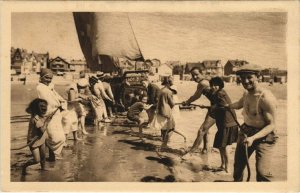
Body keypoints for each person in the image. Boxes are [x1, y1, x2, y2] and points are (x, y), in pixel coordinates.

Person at [228, 64, 277, 181]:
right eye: (242, 78)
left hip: (265, 136)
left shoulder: (266, 98)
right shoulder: (246, 93)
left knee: (262, 173)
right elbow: (239, 104)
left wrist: (253, 138)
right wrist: (225, 106)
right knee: (238, 169)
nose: (245, 81)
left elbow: (271, 125)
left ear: (258, 77)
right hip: (246, 132)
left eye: (249, 77)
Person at [182, 67, 215, 154]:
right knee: (206, 129)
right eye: (193, 75)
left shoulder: (202, 83)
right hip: (215, 106)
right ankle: (205, 149)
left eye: (197, 74)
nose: (195, 77)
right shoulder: (207, 80)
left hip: (218, 108)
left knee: (202, 130)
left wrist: (187, 102)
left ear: (202, 73)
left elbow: (196, 96)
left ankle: (191, 152)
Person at [209, 77, 238, 173]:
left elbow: (224, 106)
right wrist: (213, 107)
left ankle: (227, 169)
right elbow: (218, 106)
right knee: (221, 146)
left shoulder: (220, 93)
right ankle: (222, 165)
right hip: (223, 123)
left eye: (216, 85)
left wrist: (213, 107)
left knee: (225, 147)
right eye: (212, 85)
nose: (213, 87)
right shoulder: (218, 93)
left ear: (220, 85)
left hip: (228, 123)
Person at [36, 68, 66, 161]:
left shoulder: (49, 87)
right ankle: (52, 153)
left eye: (50, 78)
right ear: (41, 77)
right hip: (49, 114)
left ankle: (53, 156)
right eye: (47, 78)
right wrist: (59, 104)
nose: (49, 80)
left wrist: (61, 102)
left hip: (56, 114)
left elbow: (58, 97)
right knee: (55, 137)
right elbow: (49, 102)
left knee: (57, 135)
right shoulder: (40, 87)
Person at [22, 98, 48, 174]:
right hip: (33, 141)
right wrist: (46, 123)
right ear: (37, 109)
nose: (44, 110)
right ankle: (25, 166)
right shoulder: (35, 118)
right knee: (37, 160)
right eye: (42, 108)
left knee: (43, 157)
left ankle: (43, 168)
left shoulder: (40, 116)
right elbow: (42, 130)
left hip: (41, 139)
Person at [150, 76, 175, 149]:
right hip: (166, 112)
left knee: (163, 128)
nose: (173, 82)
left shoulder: (161, 90)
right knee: (171, 128)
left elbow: (158, 100)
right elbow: (172, 104)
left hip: (160, 111)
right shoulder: (169, 91)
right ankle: (165, 144)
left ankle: (163, 142)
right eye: (172, 81)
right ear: (168, 82)